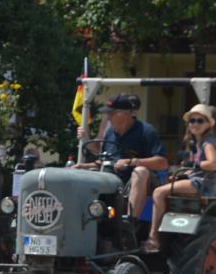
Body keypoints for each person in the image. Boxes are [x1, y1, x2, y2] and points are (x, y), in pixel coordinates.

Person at [76, 93, 168, 218]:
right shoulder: (110, 133)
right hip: (115, 181)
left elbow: (162, 163)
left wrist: (131, 161)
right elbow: (106, 161)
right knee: (78, 172)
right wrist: (82, 166)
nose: (108, 118)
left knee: (140, 172)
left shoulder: (146, 131)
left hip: (142, 182)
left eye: (111, 114)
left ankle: (129, 222)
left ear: (124, 113)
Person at [145, 104, 216, 253]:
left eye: (200, 121)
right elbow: (196, 168)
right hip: (198, 179)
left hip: (203, 184)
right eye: (192, 120)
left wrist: (194, 164)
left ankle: (154, 237)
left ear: (209, 124)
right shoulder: (195, 142)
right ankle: (165, 233)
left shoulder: (208, 142)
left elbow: (212, 164)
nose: (195, 124)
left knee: (158, 192)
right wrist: (186, 171)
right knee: (166, 184)